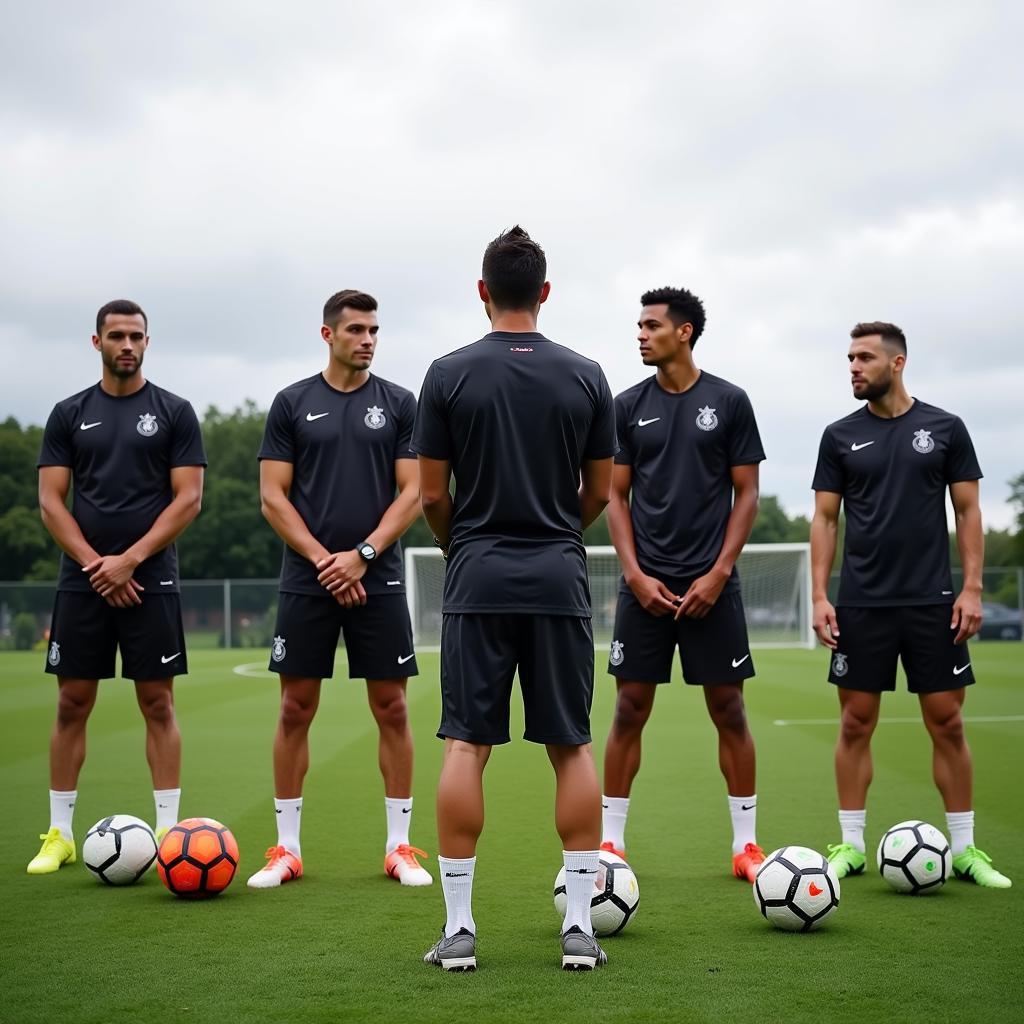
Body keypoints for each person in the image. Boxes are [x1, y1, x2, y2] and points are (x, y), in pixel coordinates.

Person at [413, 226, 617, 971]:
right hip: (559, 575)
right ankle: (580, 932)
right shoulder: (588, 374)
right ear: (545, 292)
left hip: (477, 575)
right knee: (572, 747)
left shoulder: (446, 373)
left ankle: (461, 932)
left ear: (482, 291)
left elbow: (432, 494)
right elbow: (599, 490)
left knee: (469, 743)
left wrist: (459, 543)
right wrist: (559, 529)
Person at [811, 321, 1011, 888]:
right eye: (849, 358)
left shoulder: (945, 428)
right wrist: (823, 595)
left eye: (864, 358)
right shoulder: (838, 435)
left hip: (932, 601)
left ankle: (967, 850)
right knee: (855, 722)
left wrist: (972, 588)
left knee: (947, 722)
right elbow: (826, 519)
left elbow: (969, 511)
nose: (853, 367)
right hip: (863, 603)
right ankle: (850, 846)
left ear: (897, 363)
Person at [247, 289, 430, 890]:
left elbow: (413, 494)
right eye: (356, 330)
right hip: (308, 579)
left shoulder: (400, 403)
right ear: (328, 335)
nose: (368, 340)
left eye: (374, 330)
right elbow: (273, 496)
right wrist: (328, 561)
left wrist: (363, 556)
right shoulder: (292, 403)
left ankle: (399, 847)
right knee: (295, 708)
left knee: (392, 708)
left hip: (377, 578)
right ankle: (287, 849)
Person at [28, 299, 206, 874]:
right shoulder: (67, 413)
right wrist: (96, 566)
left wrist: (128, 560)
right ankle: (59, 833)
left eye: (136, 336)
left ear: (147, 343)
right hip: (83, 582)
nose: (126, 345)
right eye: (116, 336)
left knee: (157, 702)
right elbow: (50, 501)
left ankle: (169, 832)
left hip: (151, 578)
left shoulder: (174, 412)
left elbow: (188, 499)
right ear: (97, 342)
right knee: (72, 703)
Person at [599, 286, 767, 881]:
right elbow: (614, 497)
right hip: (645, 587)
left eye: (650, 325)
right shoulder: (625, 405)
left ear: (684, 332)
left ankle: (746, 845)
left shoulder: (729, 400)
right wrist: (635, 575)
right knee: (629, 707)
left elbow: (746, 493)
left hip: (713, 585)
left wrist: (719, 573)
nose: (640, 334)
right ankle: (610, 844)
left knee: (728, 708)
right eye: (639, 325)